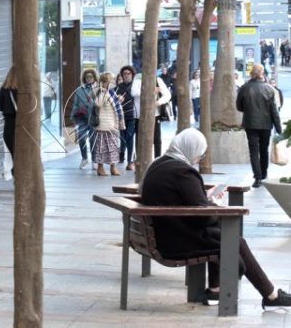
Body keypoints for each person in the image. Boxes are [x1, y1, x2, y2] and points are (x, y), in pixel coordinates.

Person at [140, 128, 291, 309]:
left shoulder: (158, 164)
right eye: (200, 153)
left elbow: (180, 199)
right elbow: (204, 218)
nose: (199, 158)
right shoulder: (183, 172)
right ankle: (271, 295)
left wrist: (206, 201)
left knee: (220, 235)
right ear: (190, 148)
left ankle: (216, 289)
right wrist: (214, 206)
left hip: (164, 234)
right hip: (176, 243)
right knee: (232, 240)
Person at [236, 64, 282, 188]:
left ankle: (257, 177)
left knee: (254, 151)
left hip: (250, 123)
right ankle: (264, 173)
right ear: (262, 73)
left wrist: (248, 109)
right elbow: (274, 110)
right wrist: (278, 128)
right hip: (266, 124)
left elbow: (239, 106)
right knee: (264, 149)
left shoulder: (244, 88)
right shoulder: (269, 88)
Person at [92, 72, 124, 176]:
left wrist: (118, 99)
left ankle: (113, 167)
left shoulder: (112, 92)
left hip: (112, 124)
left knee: (113, 147)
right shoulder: (100, 92)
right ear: (105, 82)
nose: (113, 82)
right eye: (111, 80)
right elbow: (98, 104)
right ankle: (100, 168)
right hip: (103, 125)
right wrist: (103, 92)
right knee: (101, 147)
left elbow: (115, 107)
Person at [71, 68, 98, 170]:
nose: (89, 79)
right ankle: (84, 158)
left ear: (94, 78)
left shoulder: (98, 89)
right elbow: (75, 104)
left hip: (94, 118)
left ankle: (94, 160)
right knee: (81, 138)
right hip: (82, 118)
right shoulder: (79, 90)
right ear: (84, 78)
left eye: (91, 77)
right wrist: (73, 118)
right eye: (87, 77)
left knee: (93, 140)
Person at [115, 66, 137, 170]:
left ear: (132, 75)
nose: (126, 75)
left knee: (130, 136)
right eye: (124, 74)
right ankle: (123, 155)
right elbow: (112, 99)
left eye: (128, 73)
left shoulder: (135, 86)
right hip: (121, 116)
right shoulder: (118, 87)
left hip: (132, 116)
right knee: (123, 137)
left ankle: (130, 161)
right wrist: (117, 99)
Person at [0, 66, 18, 161]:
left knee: (12, 154)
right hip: (20, 124)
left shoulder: (3, 89)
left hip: (8, 125)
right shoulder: (22, 90)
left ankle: (14, 168)